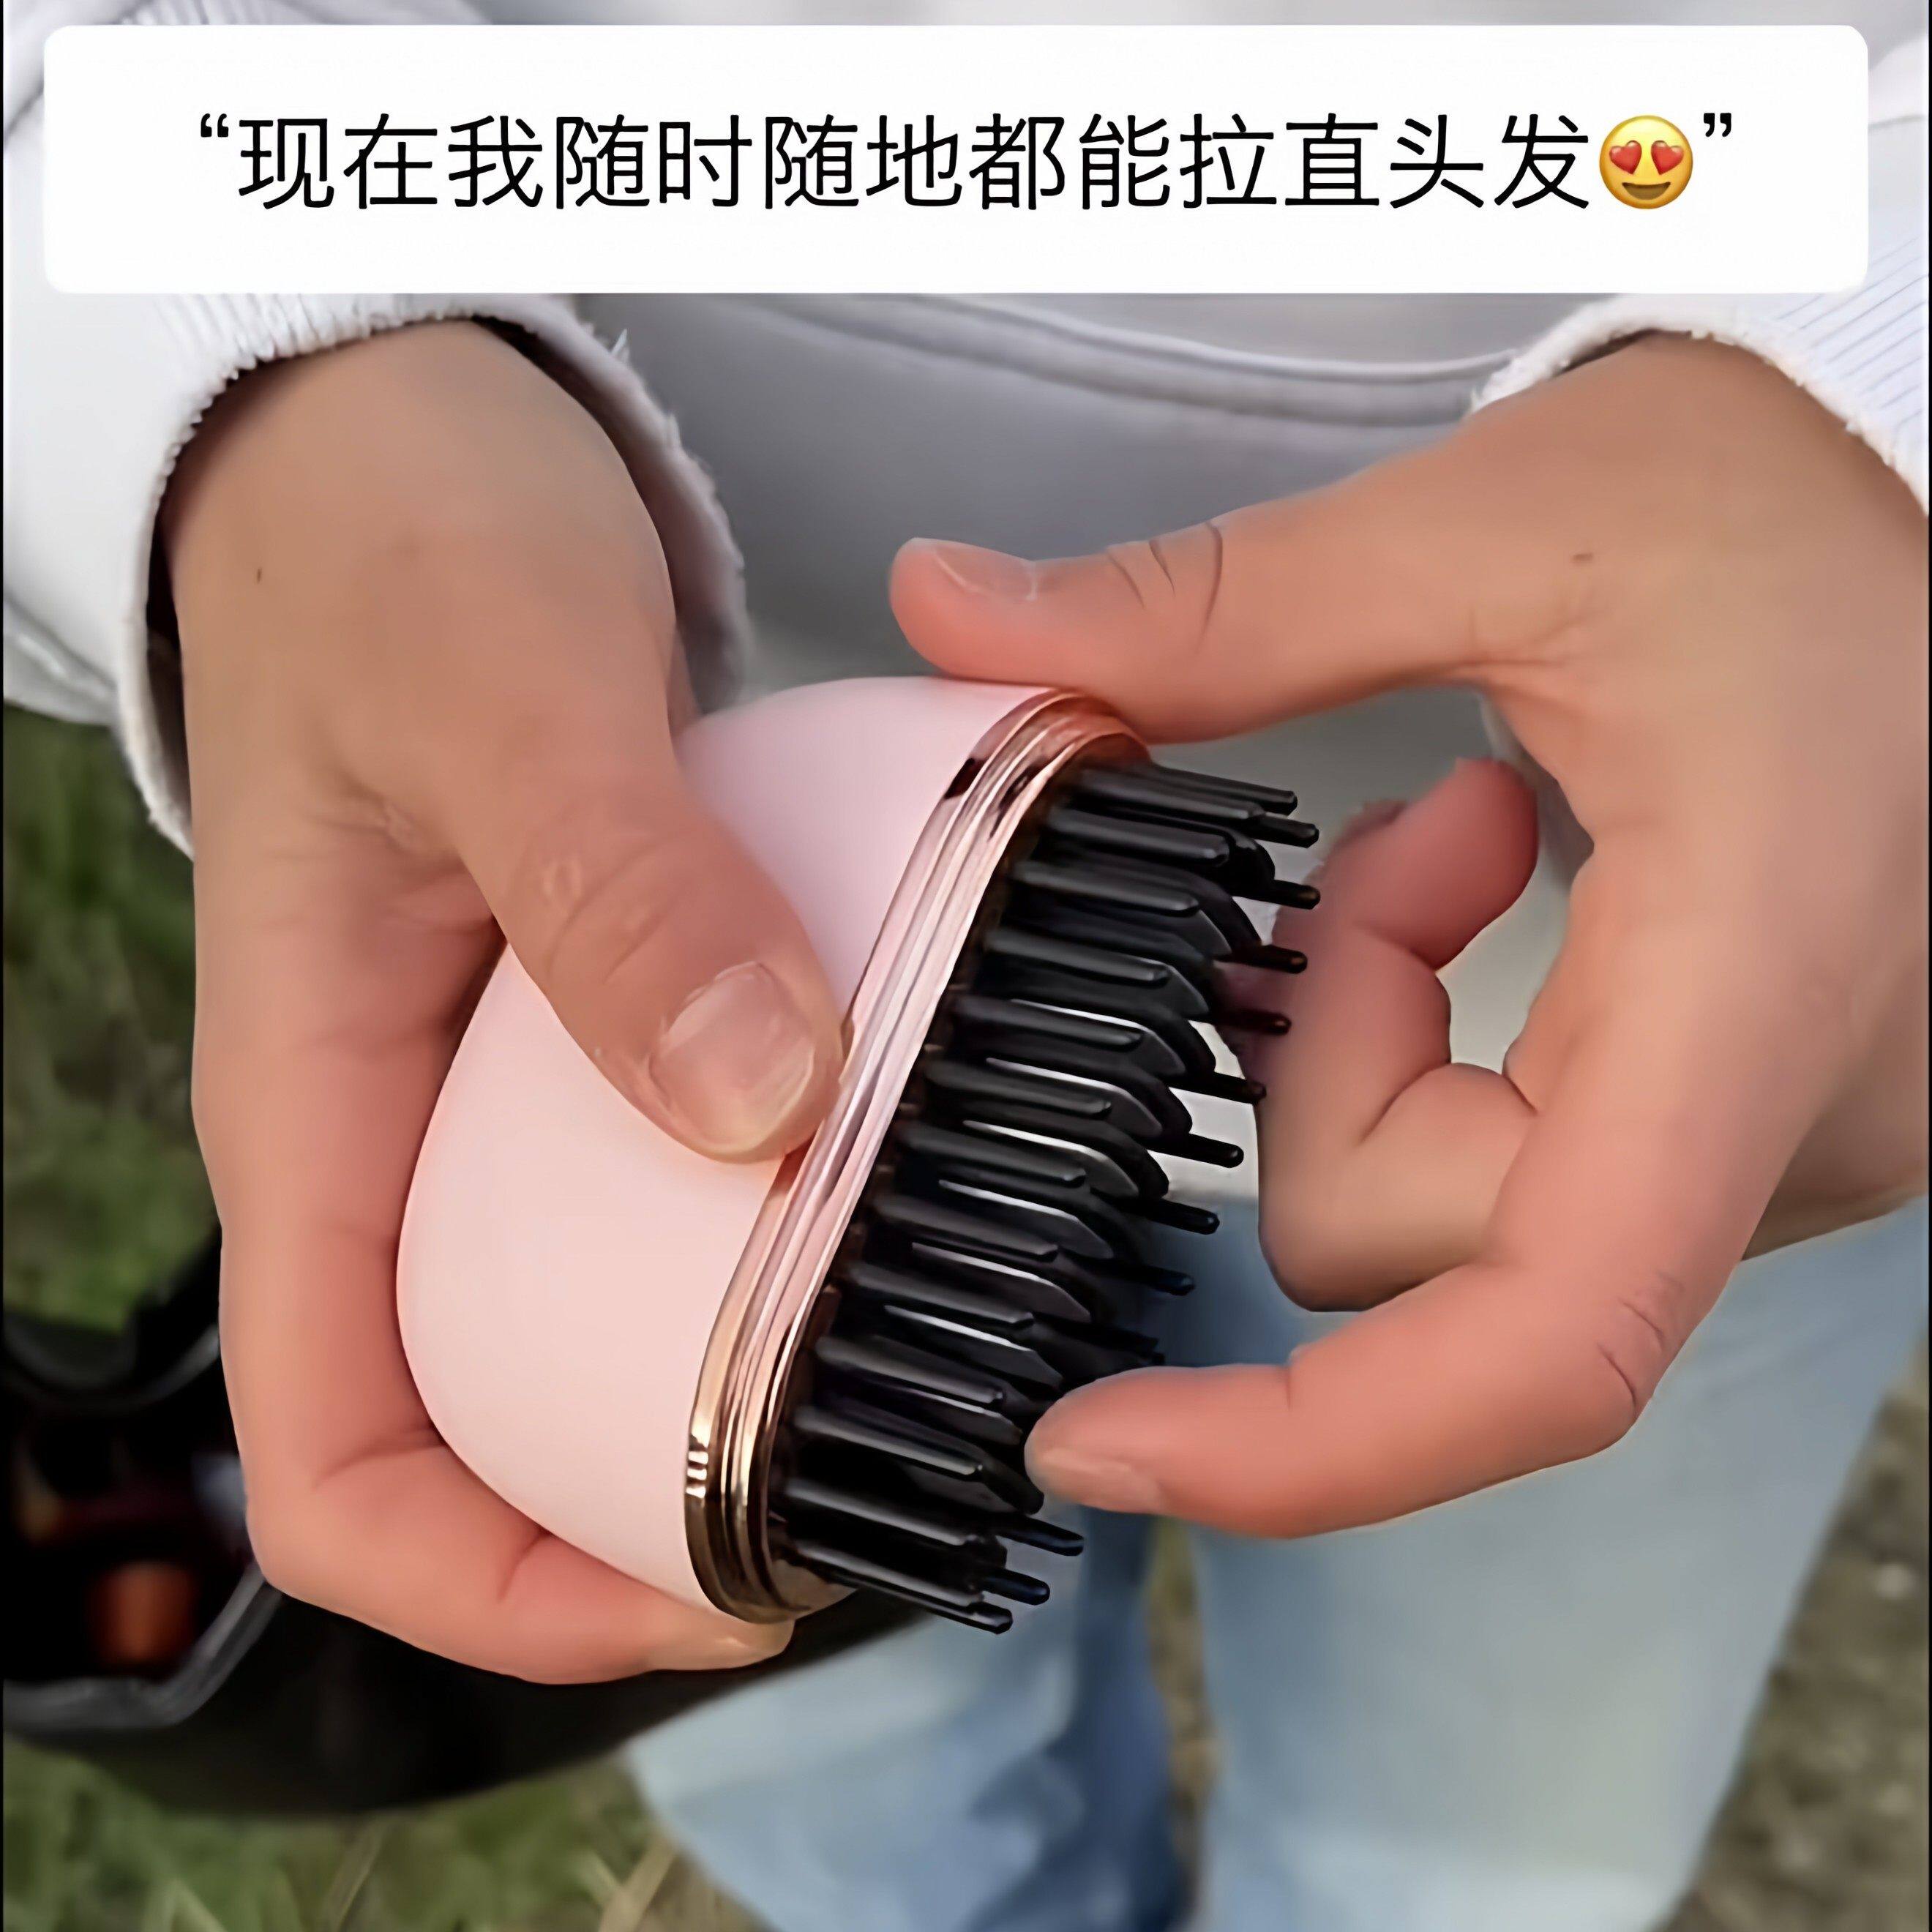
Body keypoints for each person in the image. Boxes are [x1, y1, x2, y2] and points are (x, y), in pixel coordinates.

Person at [6, 6, 1925, 1927]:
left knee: (1475, 1850)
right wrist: (232, 348)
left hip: (1689, 989)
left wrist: (1884, 409)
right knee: (868, 1800)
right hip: (615, 861)